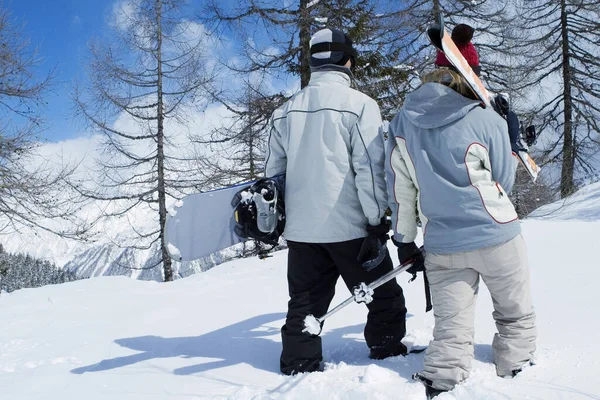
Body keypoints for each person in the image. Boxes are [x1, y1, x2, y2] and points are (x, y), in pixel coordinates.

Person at [385, 68, 537, 398]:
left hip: (443, 244)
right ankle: (517, 367)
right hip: (497, 235)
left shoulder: (400, 125)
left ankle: (442, 377)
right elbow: (504, 182)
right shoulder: (486, 118)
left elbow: (401, 190)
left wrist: (404, 238)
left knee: (451, 325)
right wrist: (511, 140)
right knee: (514, 312)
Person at [265, 28, 407, 376]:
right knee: (383, 294)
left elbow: (273, 176)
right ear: (348, 60)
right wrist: (376, 221)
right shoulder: (360, 106)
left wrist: (281, 222)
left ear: (312, 61)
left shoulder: (285, 111)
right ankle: (386, 345)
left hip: (302, 231)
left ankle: (300, 361)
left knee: (305, 302)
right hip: (351, 227)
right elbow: (370, 170)